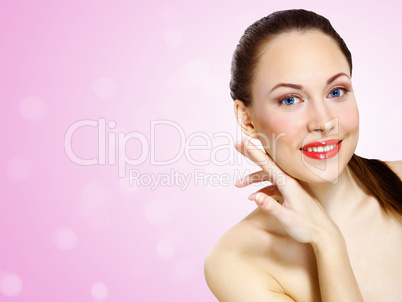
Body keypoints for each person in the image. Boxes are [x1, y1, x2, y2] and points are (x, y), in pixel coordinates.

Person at [204, 9, 402, 302]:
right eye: (290, 99)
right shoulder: (236, 260)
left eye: (336, 92)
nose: (323, 122)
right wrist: (328, 241)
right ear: (247, 119)